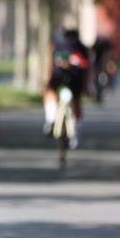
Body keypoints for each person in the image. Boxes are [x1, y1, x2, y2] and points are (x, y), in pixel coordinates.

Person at [42, 18, 90, 148]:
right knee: (77, 101)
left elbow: (50, 64)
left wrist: (46, 81)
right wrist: (86, 87)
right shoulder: (81, 46)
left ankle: (50, 118)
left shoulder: (56, 43)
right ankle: (76, 131)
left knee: (49, 91)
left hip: (58, 75)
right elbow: (86, 69)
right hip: (76, 77)